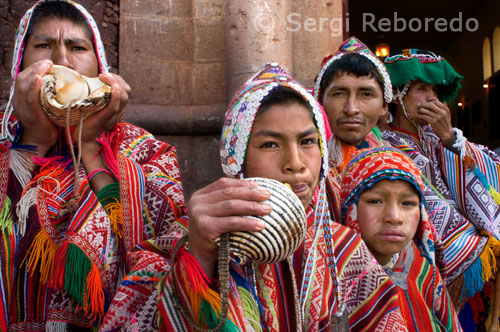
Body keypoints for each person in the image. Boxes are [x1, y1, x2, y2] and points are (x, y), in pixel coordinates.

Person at [129, 63, 410, 331]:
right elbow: (134, 319)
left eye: (308, 142)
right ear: (236, 158)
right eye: (270, 144)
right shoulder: (190, 238)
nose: (296, 162)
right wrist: (200, 257)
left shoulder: (343, 248)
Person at [1, 1, 187, 330]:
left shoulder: (145, 152)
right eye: (44, 46)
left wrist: (89, 145)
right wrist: (34, 140)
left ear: (99, 65)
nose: (61, 60)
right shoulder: (5, 142)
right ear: (19, 63)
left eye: (77, 47)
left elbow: (164, 245)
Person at [383, 49, 500, 331]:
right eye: (422, 89)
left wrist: (450, 138)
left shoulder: (438, 136)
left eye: (435, 90)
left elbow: (491, 170)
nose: (432, 98)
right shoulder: (384, 142)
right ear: (397, 96)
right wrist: (473, 239)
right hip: (420, 262)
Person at [340, 146, 462, 331]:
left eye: (408, 203)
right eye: (375, 201)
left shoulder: (423, 272)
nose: (394, 217)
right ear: (350, 208)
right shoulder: (334, 280)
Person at [312, 36, 392, 220]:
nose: (351, 109)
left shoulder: (393, 160)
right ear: (319, 100)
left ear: (383, 107)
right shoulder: (303, 161)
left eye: (366, 94)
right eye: (339, 93)